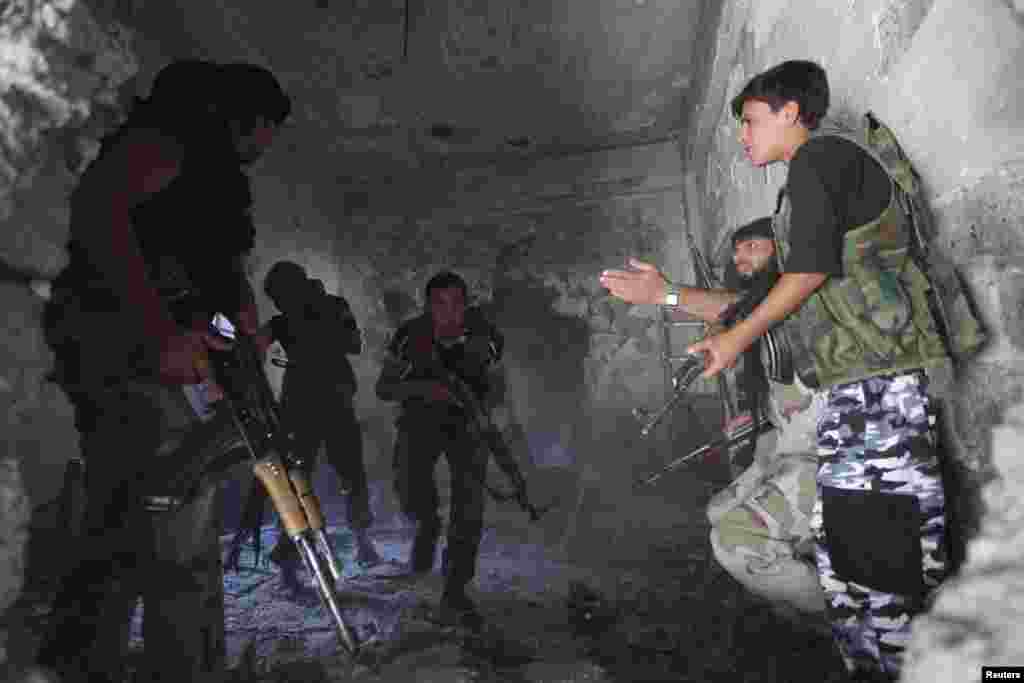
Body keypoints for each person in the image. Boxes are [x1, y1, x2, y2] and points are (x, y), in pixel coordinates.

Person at [685, 60, 955, 681]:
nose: (744, 136)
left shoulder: (819, 158)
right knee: (858, 562)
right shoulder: (810, 175)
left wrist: (734, 340)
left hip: (877, 390)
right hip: (861, 390)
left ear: (790, 112)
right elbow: (783, 286)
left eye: (751, 121)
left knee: (882, 567)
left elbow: (806, 273)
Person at [35, 59, 289, 682]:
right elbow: (102, 216)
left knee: (158, 526)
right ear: (239, 118)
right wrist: (160, 333)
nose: (262, 149)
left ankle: (149, 663)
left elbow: (205, 285)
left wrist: (234, 333)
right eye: (261, 132)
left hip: (156, 365)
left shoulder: (205, 178)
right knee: (156, 529)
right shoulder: (166, 145)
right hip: (132, 366)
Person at [600, 216, 826, 621]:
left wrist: (666, 294)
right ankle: (794, 595)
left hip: (825, 458)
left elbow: (742, 309)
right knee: (717, 511)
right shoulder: (761, 314)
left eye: (752, 246)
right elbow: (739, 314)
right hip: (788, 449)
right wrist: (760, 428)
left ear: (782, 249)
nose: (740, 258)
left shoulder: (799, 299)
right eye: (736, 252)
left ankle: (835, 613)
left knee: (734, 538)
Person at [375, 271, 504, 629]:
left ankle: (456, 587)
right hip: (419, 422)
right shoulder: (409, 335)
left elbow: (497, 384)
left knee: (469, 505)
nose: (450, 312)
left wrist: (482, 405)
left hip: (466, 424)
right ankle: (428, 523)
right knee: (409, 488)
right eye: (440, 304)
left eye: (457, 304)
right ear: (428, 306)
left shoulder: (485, 335)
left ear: (467, 304)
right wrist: (424, 389)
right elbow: (384, 388)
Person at [257, 260, 382, 590]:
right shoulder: (287, 319)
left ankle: (360, 540)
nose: (279, 304)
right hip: (303, 406)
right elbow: (257, 345)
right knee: (300, 481)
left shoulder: (330, 307)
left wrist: (314, 332)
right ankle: (291, 558)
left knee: (348, 475)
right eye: (277, 300)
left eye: (281, 297)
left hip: (330, 401)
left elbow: (353, 343)